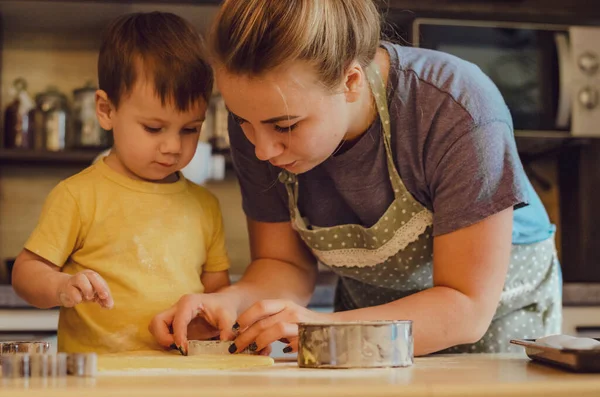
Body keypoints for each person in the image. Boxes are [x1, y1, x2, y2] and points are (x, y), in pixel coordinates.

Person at [150, 0, 561, 355]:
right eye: (243, 122)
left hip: (496, 323)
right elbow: (283, 264)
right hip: (363, 321)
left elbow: (466, 306)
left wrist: (324, 329)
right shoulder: (259, 125)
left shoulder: (455, 107)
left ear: (350, 81)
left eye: (286, 125)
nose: (263, 151)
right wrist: (230, 303)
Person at [12, 12, 230, 353]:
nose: (173, 146)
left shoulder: (205, 206)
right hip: (98, 379)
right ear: (106, 110)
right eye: (154, 128)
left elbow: (218, 293)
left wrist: (213, 317)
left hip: (182, 378)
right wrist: (61, 285)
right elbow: (26, 274)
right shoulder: (78, 195)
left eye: (190, 129)